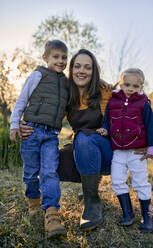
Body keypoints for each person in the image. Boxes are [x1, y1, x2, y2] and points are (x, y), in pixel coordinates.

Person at [20, 49, 113, 232]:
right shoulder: (66, 93)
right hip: (81, 148)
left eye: (88, 67)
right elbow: (48, 116)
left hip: (107, 151)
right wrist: (25, 124)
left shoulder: (105, 91)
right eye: (77, 66)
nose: (81, 71)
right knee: (49, 160)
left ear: (94, 72)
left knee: (84, 138)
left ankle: (91, 200)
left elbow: (134, 104)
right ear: (71, 69)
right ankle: (90, 186)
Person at [10, 40, 69, 237]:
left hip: (51, 135)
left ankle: (51, 213)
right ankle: (33, 200)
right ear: (45, 57)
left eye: (64, 58)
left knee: (50, 172)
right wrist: (14, 124)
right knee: (30, 172)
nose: (61, 61)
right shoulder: (38, 75)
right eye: (56, 57)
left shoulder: (66, 83)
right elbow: (21, 100)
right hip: (31, 132)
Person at [97, 68, 153, 232]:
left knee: (140, 183)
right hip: (118, 151)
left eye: (135, 86)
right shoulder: (113, 101)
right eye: (126, 84)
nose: (130, 88)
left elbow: (151, 125)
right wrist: (105, 129)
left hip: (137, 152)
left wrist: (152, 148)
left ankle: (147, 217)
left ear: (141, 86)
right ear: (120, 83)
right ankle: (128, 213)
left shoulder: (143, 103)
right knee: (116, 180)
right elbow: (107, 121)